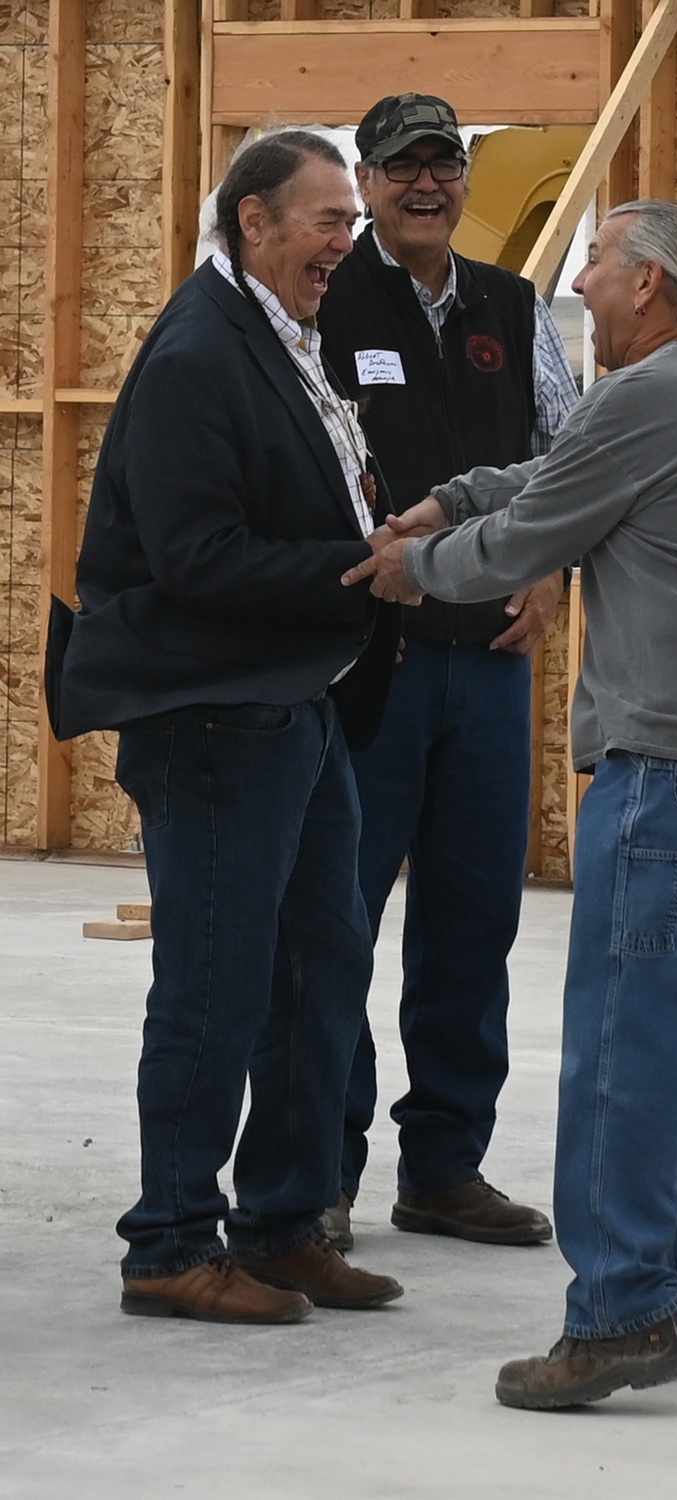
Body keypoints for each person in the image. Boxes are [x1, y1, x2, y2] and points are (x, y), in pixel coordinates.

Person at [344, 199, 677, 1407]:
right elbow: (550, 473)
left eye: (596, 266)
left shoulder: (649, 394)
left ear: (653, 285)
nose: (577, 283)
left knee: (630, 1048)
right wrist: (459, 492)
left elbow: (538, 533)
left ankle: (621, 1310)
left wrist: (416, 567)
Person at [44, 132, 406, 1324]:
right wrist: (361, 566)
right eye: (325, 220)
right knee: (217, 982)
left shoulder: (284, 338)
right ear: (251, 223)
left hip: (290, 700)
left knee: (321, 969)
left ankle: (286, 1224)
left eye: (348, 222)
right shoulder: (201, 352)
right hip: (210, 716)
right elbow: (194, 561)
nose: (344, 242)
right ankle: (168, 1243)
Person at [315, 94, 579, 1248]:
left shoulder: (513, 307)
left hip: (488, 663)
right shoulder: (324, 296)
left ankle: (445, 1168)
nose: (426, 184)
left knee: (473, 923)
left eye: (443, 165)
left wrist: (551, 572)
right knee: (336, 920)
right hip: (364, 665)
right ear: (365, 183)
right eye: (401, 166)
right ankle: (317, 1171)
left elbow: (566, 459)